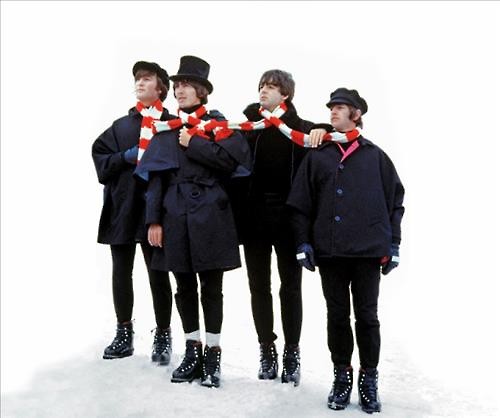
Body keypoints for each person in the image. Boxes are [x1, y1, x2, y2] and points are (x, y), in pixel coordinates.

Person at [135, 55, 251, 388]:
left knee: (212, 288)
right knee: (184, 287)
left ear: (202, 91)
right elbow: (156, 179)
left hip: (212, 215)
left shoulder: (218, 125)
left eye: (186, 85)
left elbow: (232, 163)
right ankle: (192, 349)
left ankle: (213, 355)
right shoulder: (167, 128)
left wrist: (195, 142)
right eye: (177, 86)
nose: (179, 91)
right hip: (175, 216)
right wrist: (153, 221)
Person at [287, 88, 405, 413]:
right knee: (337, 316)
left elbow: (395, 202)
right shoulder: (319, 156)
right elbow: (300, 205)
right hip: (331, 253)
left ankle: (369, 379)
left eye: (340, 107)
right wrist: (303, 242)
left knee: (367, 317)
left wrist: (393, 244)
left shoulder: (376, 157)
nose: (333, 112)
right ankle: (342, 376)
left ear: (356, 114)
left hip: (368, 253)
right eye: (331, 107)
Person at [231, 69, 322, 386]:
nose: (263, 91)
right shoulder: (250, 128)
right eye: (261, 86)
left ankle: (292, 352)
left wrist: (323, 130)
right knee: (258, 287)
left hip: (288, 220)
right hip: (254, 218)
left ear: (285, 94)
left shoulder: (302, 128)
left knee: (291, 287)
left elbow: (325, 136)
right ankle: (266, 349)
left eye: (271, 87)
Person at [92, 61, 175, 365]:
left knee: (158, 272)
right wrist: (126, 157)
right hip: (123, 206)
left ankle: (163, 334)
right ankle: (123, 332)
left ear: (160, 88)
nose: (140, 83)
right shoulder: (121, 126)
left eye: (147, 79)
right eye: (138, 79)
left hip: (157, 211)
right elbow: (100, 155)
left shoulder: (171, 125)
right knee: (121, 270)